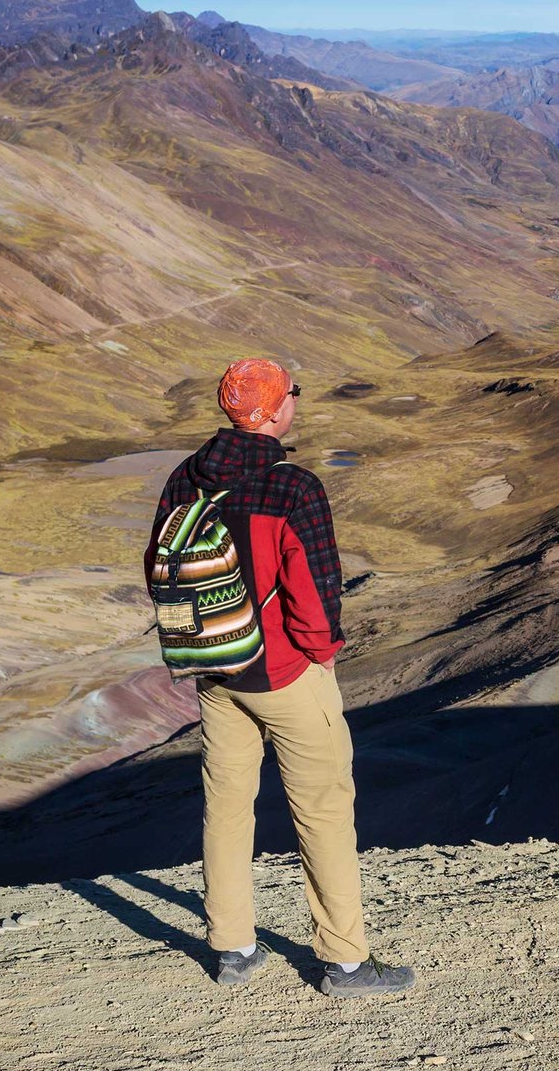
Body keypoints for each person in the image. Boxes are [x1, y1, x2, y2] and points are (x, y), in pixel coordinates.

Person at [144, 356, 414, 997]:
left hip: (216, 668)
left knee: (227, 804)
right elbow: (315, 591)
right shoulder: (292, 487)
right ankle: (346, 962)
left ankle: (233, 948)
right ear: (272, 409)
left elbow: (158, 565)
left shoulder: (186, 476)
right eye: (294, 391)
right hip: (285, 674)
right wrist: (319, 655)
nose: (297, 398)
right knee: (322, 809)